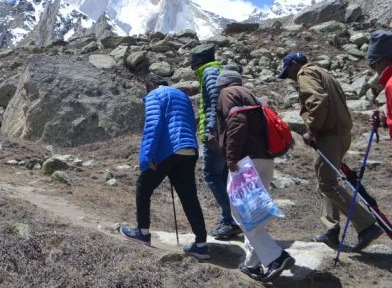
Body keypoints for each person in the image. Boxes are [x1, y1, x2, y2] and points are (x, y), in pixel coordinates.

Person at [278, 52, 383, 251]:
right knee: (329, 180)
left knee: (326, 183)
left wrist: (312, 130)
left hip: (329, 136)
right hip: (342, 134)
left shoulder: (305, 74)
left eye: (288, 72)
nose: (290, 77)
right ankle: (330, 230)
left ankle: (366, 225)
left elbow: (318, 100)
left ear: (294, 64)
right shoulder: (323, 72)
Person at [215, 69, 295, 282]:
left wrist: (231, 157)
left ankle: (276, 256)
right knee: (256, 213)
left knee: (242, 213)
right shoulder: (253, 97)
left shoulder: (228, 94)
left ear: (224, 84)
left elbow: (237, 122)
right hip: (265, 160)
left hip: (245, 163)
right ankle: (253, 263)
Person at [120, 75, 209, 259]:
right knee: (189, 197)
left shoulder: (155, 95)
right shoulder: (182, 96)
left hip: (169, 150)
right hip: (189, 148)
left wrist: (147, 157)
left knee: (143, 187)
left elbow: (153, 125)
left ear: (151, 85)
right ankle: (201, 244)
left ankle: (142, 233)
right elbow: (191, 122)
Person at [190, 44, 240, 239]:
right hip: (224, 133)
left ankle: (231, 219)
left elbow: (214, 101)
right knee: (225, 178)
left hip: (215, 134)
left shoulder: (209, 72)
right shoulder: (215, 71)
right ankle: (230, 218)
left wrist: (211, 130)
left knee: (211, 175)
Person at [367, 30, 392, 139]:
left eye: (373, 65)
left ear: (381, 61)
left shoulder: (391, 85)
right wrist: (385, 116)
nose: (375, 71)